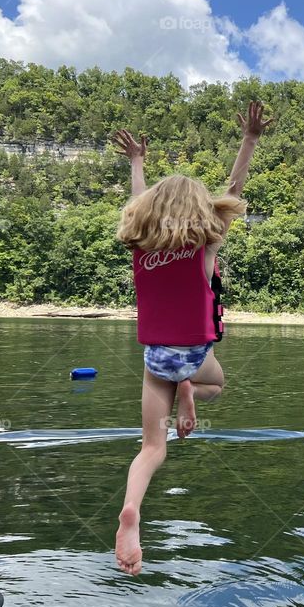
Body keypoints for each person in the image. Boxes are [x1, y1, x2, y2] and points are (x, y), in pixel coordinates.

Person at [111, 102, 273, 575]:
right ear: (201, 212)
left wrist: (137, 163)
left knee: (152, 448)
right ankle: (189, 393)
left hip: (156, 358)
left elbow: (139, 203)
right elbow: (234, 189)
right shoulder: (205, 245)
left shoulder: (141, 246)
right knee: (216, 385)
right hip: (195, 355)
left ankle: (131, 511)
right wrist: (250, 140)